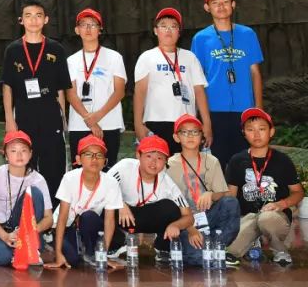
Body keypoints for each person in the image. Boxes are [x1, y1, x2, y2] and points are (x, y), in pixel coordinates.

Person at [1, 0, 72, 198]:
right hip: (24, 115)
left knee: (54, 167)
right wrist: (9, 120)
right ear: (21, 20)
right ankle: (22, 210)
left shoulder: (56, 49)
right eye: (28, 16)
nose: (33, 20)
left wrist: (63, 119)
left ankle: (53, 212)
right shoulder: (13, 50)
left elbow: (61, 89)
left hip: (50, 115)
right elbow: (7, 87)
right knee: (24, 166)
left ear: (46, 19)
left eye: (38, 15)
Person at [190, 0, 265, 166]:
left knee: (245, 163)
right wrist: (202, 117)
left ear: (233, 4)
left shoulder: (247, 34)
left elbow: (255, 72)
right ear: (207, 7)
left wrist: (259, 109)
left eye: (225, 1)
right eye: (215, 2)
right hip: (215, 109)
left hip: (244, 109)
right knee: (218, 163)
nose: (221, 6)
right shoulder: (200, 38)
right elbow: (197, 80)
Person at [108, 135, 203, 265]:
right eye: (149, 156)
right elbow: (103, 187)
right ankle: (116, 243)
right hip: (122, 216)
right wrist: (120, 204)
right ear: (138, 155)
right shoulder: (125, 167)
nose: (153, 162)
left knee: (171, 208)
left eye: (159, 158)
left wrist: (176, 225)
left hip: (145, 218)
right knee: (106, 205)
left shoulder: (167, 183)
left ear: (165, 162)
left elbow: (188, 217)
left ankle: (162, 247)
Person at [225, 108, 303, 266]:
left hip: (275, 217)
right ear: (244, 133)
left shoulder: (282, 160)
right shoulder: (237, 160)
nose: (256, 134)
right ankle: (251, 242)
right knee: (230, 251)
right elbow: (230, 196)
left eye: (261, 129)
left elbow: (298, 192)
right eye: (250, 130)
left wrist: (281, 204)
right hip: (247, 218)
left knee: (266, 218)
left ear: (271, 131)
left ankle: (280, 250)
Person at [133, 8, 212, 153]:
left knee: (185, 164)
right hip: (155, 121)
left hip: (186, 123)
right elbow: (139, 92)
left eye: (173, 26)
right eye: (163, 26)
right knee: (158, 164)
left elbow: (199, 91)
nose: (168, 30)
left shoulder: (190, 57)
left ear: (179, 32)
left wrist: (206, 123)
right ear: (155, 31)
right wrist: (138, 124)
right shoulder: (147, 57)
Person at [168, 114, 241, 263]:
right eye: (184, 132)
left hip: (208, 216)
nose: (190, 135)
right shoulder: (169, 164)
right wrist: (190, 229)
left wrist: (210, 194)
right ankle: (210, 250)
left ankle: (216, 246)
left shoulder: (212, 161)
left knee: (230, 202)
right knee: (198, 258)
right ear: (176, 137)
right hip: (184, 221)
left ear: (202, 137)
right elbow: (168, 205)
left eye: (195, 131)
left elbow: (222, 193)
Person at [0, 131, 54, 267]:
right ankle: (4, 247)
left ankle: (29, 246)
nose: (19, 155)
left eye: (23, 150)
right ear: (5, 155)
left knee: (34, 192)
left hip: (22, 225)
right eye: (13, 151)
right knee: (2, 257)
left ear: (30, 154)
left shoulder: (38, 179)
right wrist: (5, 236)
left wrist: (30, 231)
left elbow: (49, 218)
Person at [48, 136, 123, 268]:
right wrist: (58, 253)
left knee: (89, 216)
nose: (94, 159)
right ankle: (61, 245)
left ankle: (92, 252)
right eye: (88, 154)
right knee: (71, 259)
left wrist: (103, 255)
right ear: (78, 159)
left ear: (105, 161)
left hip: (88, 224)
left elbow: (109, 220)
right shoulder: (70, 178)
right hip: (66, 226)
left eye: (99, 155)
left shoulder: (111, 183)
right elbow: (62, 217)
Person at [65, 9, 127, 163]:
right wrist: (90, 120)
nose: (88, 28)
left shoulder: (114, 57)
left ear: (100, 30)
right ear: (77, 30)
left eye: (93, 24)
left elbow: (119, 92)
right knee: (79, 170)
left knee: (107, 169)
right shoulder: (71, 60)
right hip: (79, 124)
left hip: (109, 123)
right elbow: (71, 94)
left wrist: (97, 116)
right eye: (83, 24)